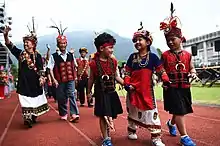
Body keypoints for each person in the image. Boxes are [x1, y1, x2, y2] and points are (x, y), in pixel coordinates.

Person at [123, 22, 169, 146]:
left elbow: (161, 70)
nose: (137, 42)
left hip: (147, 90)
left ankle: (155, 137)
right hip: (132, 89)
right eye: (136, 40)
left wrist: (166, 79)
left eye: (140, 40)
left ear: (148, 42)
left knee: (151, 111)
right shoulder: (132, 57)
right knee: (133, 110)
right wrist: (127, 85)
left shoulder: (153, 57)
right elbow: (127, 73)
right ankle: (132, 130)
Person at [160, 3, 197, 146]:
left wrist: (193, 73)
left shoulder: (188, 55)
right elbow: (160, 69)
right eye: (168, 40)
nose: (170, 42)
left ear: (180, 39)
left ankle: (170, 123)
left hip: (185, 86)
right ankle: (184, 137)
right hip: (171, 87)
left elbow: (191, 68)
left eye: (173, 39)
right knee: (179, 109)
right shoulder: (164, 55)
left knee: (181, 109)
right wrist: (163, 77)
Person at [3, 21, 49, 128]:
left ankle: (33, 115)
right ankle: (27, 117)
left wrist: (42, 78)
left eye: (27, 42)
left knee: (35, 99)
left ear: (33, 44)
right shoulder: (20, 54)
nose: (25, 44)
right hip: (24, 82)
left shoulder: (37, 56)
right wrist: (5, 35)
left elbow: (41, 69)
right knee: (25, 100)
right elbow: (9, 45)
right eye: (24, 42)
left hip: (35, 83)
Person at [87, 32, 124, 146]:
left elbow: (117, 76)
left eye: (113, 48)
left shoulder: (113, 61)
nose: (112, 50)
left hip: (111, 92)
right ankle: (106, 139)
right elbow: (91, 79)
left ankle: (106, 133)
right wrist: (88, 92)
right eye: (110, 48)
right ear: (101, 48)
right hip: (100, 93)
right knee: (103, 115)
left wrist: (127, 84)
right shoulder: (93, 64)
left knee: (110, 114)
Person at [47, 22, 79, 122]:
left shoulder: (71, 55)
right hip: (59, 80)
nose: (63, 45)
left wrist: (76, 76)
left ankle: (74, 114)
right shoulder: (54, 56)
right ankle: (63, 113)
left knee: (72, 94)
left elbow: (74, 66)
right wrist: (54, 80)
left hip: (70, 79)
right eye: (61, 44)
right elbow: (50, 68)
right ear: (58, 44)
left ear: (66, 44)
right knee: (61, 97)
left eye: (64, 43)